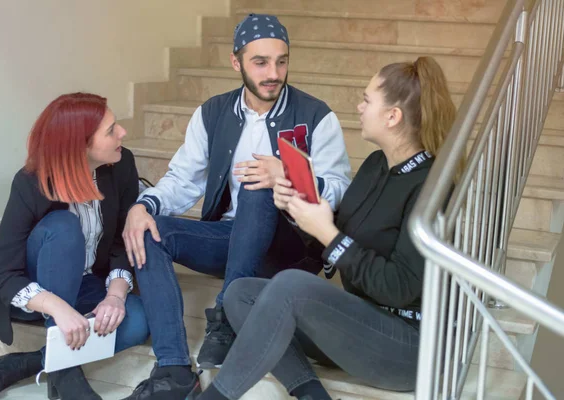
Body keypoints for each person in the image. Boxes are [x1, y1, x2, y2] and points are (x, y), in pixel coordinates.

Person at [190, 56, 457, 400]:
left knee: (289, 285)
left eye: (366, 99)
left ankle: (216, 396)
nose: (358, 107)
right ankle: (311, 394)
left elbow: (398, 286)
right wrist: (298, 212)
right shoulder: (377, 165)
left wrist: (329, 233)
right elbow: (335, 246)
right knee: (242, 294)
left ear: (393, 117)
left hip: (408, 347)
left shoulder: (431, 187)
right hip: (361, 325)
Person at [121, 13, 351, 400]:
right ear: (236, 62)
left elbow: (340, 188)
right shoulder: (212, 113)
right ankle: (174, 366)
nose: (273, 72)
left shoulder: (316, 116)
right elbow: (183, 179)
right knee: (149, 229)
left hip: (287, 246)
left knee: (259, 183)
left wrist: (286, 175)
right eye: (260, 62)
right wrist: (144, 205)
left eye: (281, 61)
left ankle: (227, 315)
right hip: (230, 238)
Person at [0, 93, 150, 400]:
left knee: (137, 320)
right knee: (63, 227)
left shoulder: (121, 165)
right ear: (80, 145)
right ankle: (67, 380)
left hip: (86, 284)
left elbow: (122, 239)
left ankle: (30, 363)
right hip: (38, 291)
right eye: (111, 130)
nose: (122, 132)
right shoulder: (31, 182)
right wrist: (58, 308)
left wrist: (115, 295)